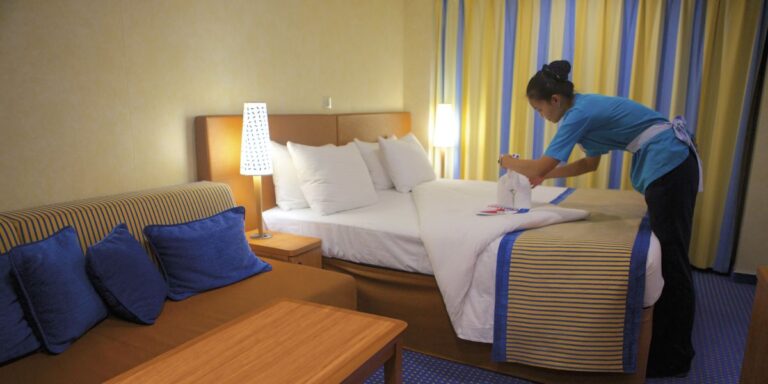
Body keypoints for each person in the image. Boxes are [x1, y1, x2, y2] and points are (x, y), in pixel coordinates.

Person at [499, 60, 701, 378]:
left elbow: (537, 166)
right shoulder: (584, 107)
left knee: (673, 258)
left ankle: (675, 356)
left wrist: (508, 161)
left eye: (539, 110)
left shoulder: (577, 114)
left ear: (554, 100)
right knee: (671, 253)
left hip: (670, 163)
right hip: (673, 161)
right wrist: (545, 177)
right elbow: (587, 166)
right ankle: (669, 343)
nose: (542, 117)